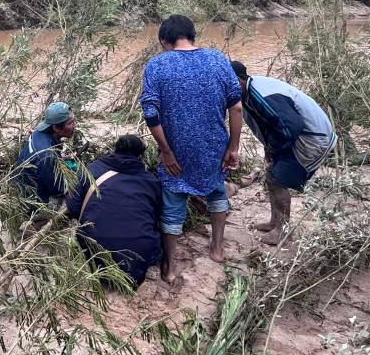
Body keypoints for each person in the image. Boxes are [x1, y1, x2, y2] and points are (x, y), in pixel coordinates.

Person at [139, 15, 243, 283]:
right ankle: (217, 247)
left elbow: (151, 113)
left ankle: (170, 266)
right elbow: (236, 107)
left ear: (164, 40)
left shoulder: (157, 65)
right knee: (217, 192)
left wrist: (165, 150)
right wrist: (233, 147)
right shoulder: (218, 60)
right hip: (214, 148)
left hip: (178, 151)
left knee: (173, 204)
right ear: (192, 35)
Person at [230, 61, 337, 245]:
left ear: (238, 81)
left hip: (312, 138)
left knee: (276, 179)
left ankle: (282, 231)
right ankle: (275, 222)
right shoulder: (251, 89)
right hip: (305, 134)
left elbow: (291, 126)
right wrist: (269, 148)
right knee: (273, 176)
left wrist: (274, 148)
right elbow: (271, 124)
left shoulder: (260, 94)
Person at [66, 134, 163, 286]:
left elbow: (72, 206)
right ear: (140, 156)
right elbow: (157, 218)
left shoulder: (91, 170)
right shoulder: (152, 181)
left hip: (95, 258)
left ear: (115, 150)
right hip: (137, 266)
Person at [15, 101, 76, 206]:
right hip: (32, 200)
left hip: (21, 184)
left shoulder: (38, 133)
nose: (74, 126)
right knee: (76, 197)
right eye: (70, 123)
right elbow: (58, 189)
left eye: (74, 121)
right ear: (56, 128)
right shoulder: (47, 155)